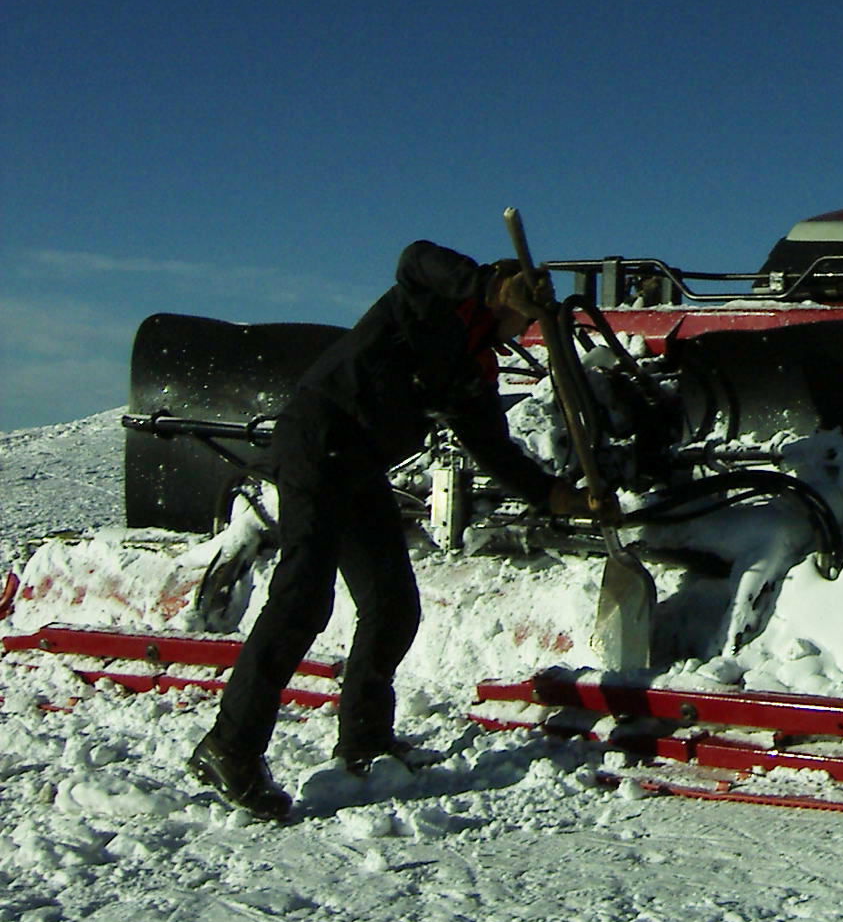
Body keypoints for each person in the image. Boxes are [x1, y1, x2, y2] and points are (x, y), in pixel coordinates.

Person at [189, 240, 596, 819]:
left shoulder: (474, 366)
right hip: (318, 441)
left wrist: (559, 496)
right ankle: (229, 748)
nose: (526, 329)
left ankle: (365, 741)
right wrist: (491, 285)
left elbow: (493, 448)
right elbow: (416, 256)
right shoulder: (432, 300)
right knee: (303, 600)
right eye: (523, 314)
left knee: (391, 604)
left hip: (360, 468)